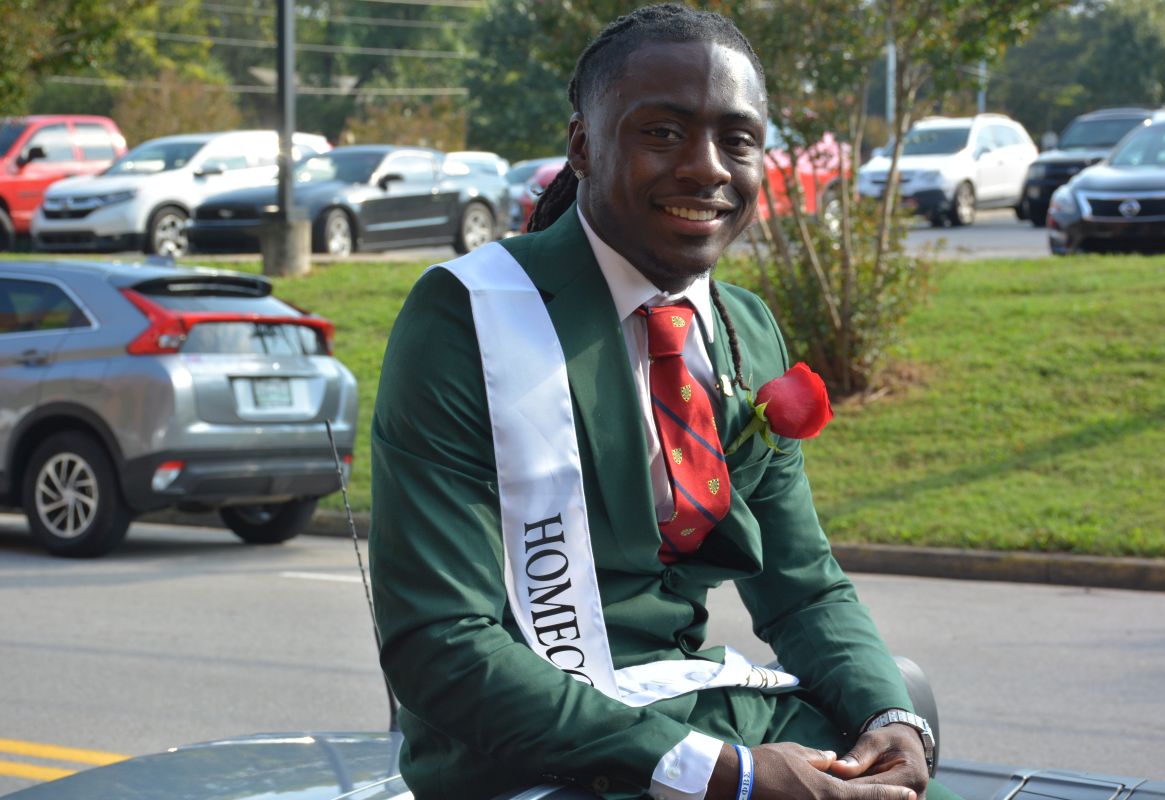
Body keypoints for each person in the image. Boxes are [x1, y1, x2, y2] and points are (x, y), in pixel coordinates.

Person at [370, 6, 959, 800]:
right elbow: (441, 643)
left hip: (715, 720)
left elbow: (803, 587)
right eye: (663, 133)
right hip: (532, 759)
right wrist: (722, 774)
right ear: (583, 145)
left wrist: (889, 716)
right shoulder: (469, 316)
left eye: (737, 139)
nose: (707, 167)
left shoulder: (744, 328)